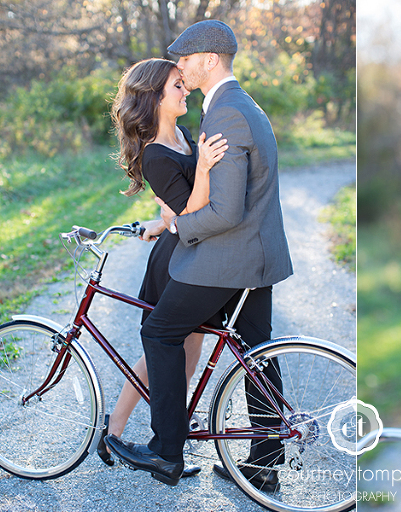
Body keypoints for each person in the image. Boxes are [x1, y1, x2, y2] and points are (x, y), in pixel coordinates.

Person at [105, 19, 293, 488]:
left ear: (208, 60)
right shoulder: (242, 104)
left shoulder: (224, 113)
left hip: (227, 258)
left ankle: (165, 451)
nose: (182, 71)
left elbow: (224, 211)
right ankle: (263, 464)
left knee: (162, 332)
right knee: (258, 352)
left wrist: (178, 226)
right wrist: (166, 219)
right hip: (256, 256)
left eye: (185, 61)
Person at [97, 58, 228, 476]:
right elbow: (189, 209)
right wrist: (203, 171)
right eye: (177, 84)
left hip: (190, 248)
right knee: (160, 355)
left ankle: (169, 431)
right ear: (154, 96)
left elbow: (177, 210)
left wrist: (161, 219)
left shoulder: (186, 137)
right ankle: (115, 429)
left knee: (189, 352)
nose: (185, 88)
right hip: (175, 262)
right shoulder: (155, 154)